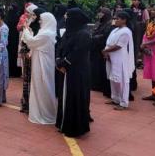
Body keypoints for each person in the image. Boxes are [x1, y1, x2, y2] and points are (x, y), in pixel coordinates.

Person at [55, 8, 91, 137]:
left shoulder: (84, 34)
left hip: (77, 71)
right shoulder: (69, 32)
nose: (65, 19)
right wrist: (59, 60)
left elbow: (78, 53)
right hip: (65, 69)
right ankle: (63, 122)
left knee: (74, 97)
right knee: (64, 96)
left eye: (67, 17)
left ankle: (74, 127)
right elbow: (60, 46)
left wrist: (65, 63)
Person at [22, 11, 58, 124]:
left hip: (42, 64)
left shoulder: (46, 33)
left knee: (43, 85)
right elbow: (35, 43)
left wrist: (26, 30)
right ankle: (38, 111)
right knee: (39, 85)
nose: (40, 21)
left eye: (42, 20)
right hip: (39, 61)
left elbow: (32, 42)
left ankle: (44, 113)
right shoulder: (45, 32)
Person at [103, 11, 135, 110]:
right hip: (111, 56)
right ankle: (115, 98)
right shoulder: (115, 30)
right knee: (113, 78)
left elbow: (119, 46)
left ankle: (123, 102)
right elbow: (109, 42)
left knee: (121, 80)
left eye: (117, 19)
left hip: (120, 58)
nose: (115, 20)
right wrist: (107, 52)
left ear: (124, 20)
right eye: (115, 18)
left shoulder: (126, 31)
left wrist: (105, 51)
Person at [18, 3, 39, 113]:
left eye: (31, 13)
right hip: (27, 56)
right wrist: (23, 51)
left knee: (32, 80)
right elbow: (23, 39)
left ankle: (31, 104)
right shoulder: (29, 22)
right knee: (26, 80)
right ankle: (26, 103)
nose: (30, 15)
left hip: (33, 55)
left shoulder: (38, 25)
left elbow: (33, 40)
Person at [90, 8, 113, 97]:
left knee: (101, 68)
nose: (100, 15)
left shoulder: (109, 23)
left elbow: (106, 35)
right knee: (95, 67)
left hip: (102, 48)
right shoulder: (99, 22)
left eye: (102, 13)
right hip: (95, 48)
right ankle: (95, 84)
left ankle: (100, 85)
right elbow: (93, 30)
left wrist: (95, 37)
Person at [5, 3, 21, 77]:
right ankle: (16, 72)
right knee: (15, 55)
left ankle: (10, 72)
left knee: (9, 55)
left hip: (8, 39)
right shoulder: (18, 17)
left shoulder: (7, 17)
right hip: (16, 40)